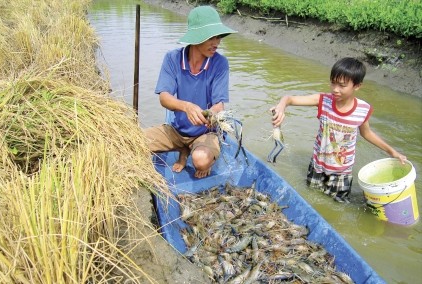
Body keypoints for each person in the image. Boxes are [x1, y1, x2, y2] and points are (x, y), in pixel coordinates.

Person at [270, 57, 406, 203]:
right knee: (312, 199)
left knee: (340, 204)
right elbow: (289, 98)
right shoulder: (323, 101)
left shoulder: (363, 110)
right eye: (333, 83)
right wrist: (281, 107)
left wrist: (392, 151)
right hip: (318, 165)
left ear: (357, 86)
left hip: (342, 171)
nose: (335, 89)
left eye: (342, 85)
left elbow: (367, 133)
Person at [144, 6, 237, 178]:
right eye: (211, 37)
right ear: (196, 38)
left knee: (201, 160)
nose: (217, 42)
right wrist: (186, 107)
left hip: (204, 133)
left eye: (219, 37)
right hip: (177, 130)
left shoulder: (220, 64)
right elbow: (164, 98)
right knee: (134, 141)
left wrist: (211, 114)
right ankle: (183, 148)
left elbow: (219, 104)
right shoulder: (172, 58)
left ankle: (196, 151)